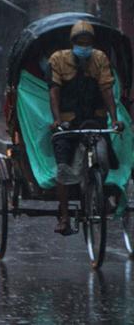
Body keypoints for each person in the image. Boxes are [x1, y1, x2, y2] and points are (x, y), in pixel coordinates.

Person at [48, 21, 124, 235]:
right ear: (72, 43)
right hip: (68, 122)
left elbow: (107, 90)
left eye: (87, 42)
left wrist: (114, 119)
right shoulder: (58, 59)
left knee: (106, 157)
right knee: (63, 167)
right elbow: (54, 91)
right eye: (80, 42)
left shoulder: (99, 58)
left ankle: (100, 193)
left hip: (94, 120)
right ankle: (64, 216)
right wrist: (57, 120)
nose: (84, 46)